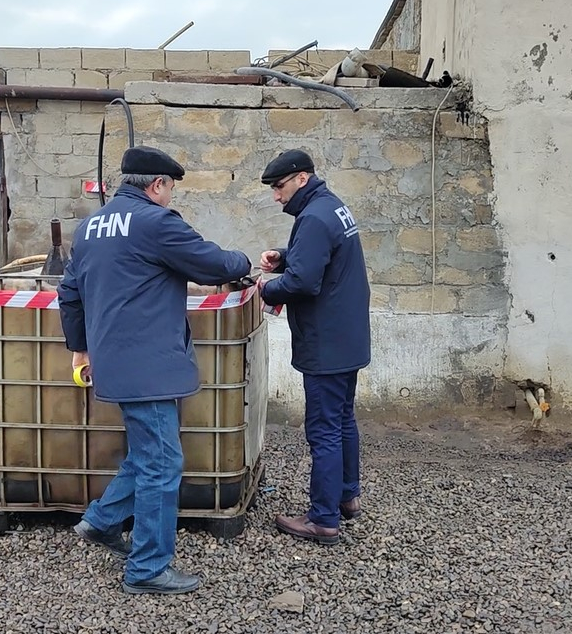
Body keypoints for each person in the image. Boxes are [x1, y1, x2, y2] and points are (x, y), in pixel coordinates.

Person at [57, 145, 251, 594]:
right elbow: (212, 263)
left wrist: (81, 350)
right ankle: (147, 569)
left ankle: (102, 521)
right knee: (163, 462)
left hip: (115, 364)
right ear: (157, 185)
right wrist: (246, 262)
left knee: (147, 453)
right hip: (150, 367)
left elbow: (70, 294)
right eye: (170, 188)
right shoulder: (156, 222)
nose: (170, 196)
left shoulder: (90, 227)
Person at [256, 149, 372, 546]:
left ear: (301, 178)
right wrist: (285, 256)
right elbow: (322, 254)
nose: (276, 196)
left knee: (323, 429)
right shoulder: (331, 206)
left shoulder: (313, 217)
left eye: (279, 187)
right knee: (342, 420)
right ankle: (347, 497)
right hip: (347, 336)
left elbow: (304, 282)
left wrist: (264, 289)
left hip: (326, 342)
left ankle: (322, 519)